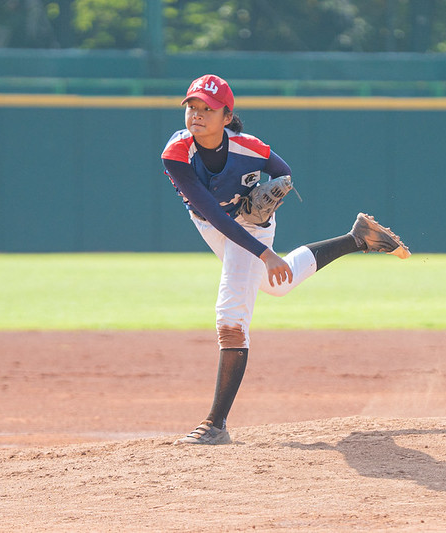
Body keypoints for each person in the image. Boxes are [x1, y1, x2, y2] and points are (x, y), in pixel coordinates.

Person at [161, 74, 410, 445]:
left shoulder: (249, 147)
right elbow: (213, 214)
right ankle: (357, 238)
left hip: (251, 222)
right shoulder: (177, 153)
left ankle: (215, 424)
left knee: (231, 317)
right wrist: (266, 255)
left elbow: (283, 172)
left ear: (226, 116)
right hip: (215, 225)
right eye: (192, 107)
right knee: (280, 283)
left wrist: (262, 201)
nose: (197, 115)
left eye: (207, 109)